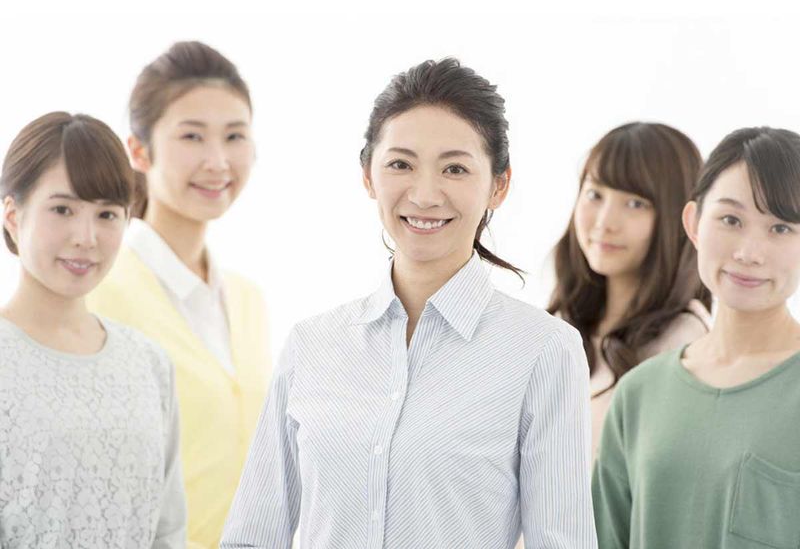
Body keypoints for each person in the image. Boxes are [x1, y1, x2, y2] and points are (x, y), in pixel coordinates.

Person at [221, 58, 596, 549]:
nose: (424, 194)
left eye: (455, 168)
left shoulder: (543, 351)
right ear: (368, 175)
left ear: (498, 185)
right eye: (401, 164)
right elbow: (252, 537)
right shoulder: (311, 345)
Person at [86, 41, 269, 549]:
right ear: (139, 151)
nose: (218, 161)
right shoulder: (100, 295)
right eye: (192, 136)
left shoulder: (248, 301)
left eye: (234, 136)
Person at [592, 127, 800, 548]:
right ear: (693, 223)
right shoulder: (639, 393)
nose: (748, 252)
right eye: (731, 220)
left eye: (780, 228)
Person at [0, 112, 185, 548]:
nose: (86, 237)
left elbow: (169, 529)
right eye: (62, 209)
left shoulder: (148, 363)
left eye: (106, 214)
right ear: (13, 216)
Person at [548, 123, 711, 458]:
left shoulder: (683, 341)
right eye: (595, 195)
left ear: (679, 218)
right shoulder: (566, 321)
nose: (604, 222)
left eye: (635, 203)